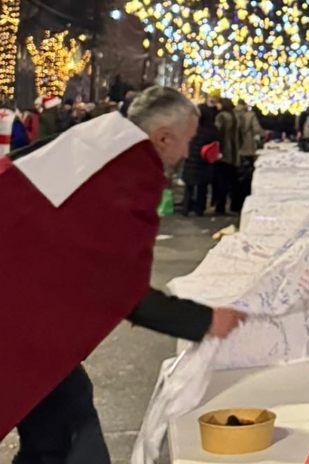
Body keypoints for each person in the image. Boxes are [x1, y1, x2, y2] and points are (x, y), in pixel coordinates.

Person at [0, 86, 247, 461]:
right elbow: (120, 289)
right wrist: (207, 320)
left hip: (24, 307)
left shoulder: (95, 138)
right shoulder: (130, 170)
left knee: (63, 420)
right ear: (163, 137)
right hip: (19, 321)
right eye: (186, 141)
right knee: (70, 437)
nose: (186, 153)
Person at [182, 104, 219, 216]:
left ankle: (186, 207)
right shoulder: (212, 130)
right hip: (204, 161)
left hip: (191, 158)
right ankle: (199, 209)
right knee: (202, 187)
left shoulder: (191, 127)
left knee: (189, 186)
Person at [235, 99, 264, 211]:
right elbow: (257, 129)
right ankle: (244, 199)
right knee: (246, 176)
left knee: (236, 177)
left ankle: (235, 203)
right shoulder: (250, 115)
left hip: (236, 149)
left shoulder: (233, 114)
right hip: (247, 148)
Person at [213, 97, 240, 214]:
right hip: (233, 152)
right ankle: (234, 205)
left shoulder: (221, 117)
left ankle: (220, 206)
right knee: (231, 180)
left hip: (223, 152)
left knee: (221, 181)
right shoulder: (235, 116)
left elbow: (218, 133)